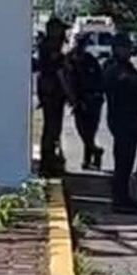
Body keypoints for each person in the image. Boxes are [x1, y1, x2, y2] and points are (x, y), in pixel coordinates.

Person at [103, 33, 137, 212]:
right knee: (123, 160)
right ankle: (119, 200)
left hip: (131, 117)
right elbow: (126, 83)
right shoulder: (113, 67)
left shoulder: (126, 66)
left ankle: (124, 196)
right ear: (116, 48)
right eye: (124, 47)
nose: (128, 50)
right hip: (121, 118)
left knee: (127, 160)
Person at [35, 18, 72, 177]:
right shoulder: (50, 48)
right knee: (52, 129)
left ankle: (50, 161)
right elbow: (59, 73)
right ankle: (47, 164)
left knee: (53, 129)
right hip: (52, 93)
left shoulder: (49, 46)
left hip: (51, 92)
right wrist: (71, 95)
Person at [68, 34, 105, 171]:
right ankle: (95, 151)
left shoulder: (91, 60)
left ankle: (87, 159)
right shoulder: (70, 59)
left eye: (82, 44)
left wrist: (97, 96)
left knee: (90, 131)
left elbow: (100, 80)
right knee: (82, 130)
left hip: (93, 101)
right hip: (78, 100)